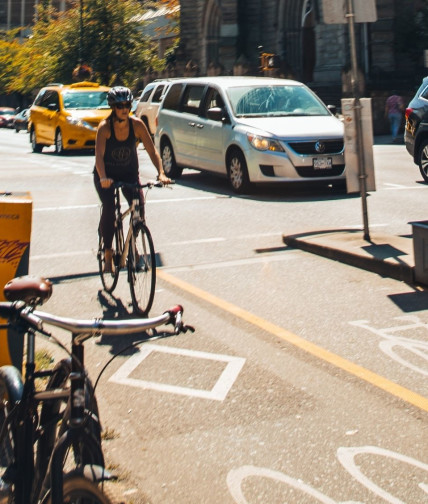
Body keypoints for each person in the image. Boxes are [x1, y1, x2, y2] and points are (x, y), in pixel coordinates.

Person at [94, 86, 170, 272]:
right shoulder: (104, 128)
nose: (124, 109)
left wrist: (161, 172)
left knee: (139, 207)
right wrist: (103, 177)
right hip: (106, 175)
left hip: (128, 173)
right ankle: (108, 253)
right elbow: (98, 158)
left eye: (127, 104)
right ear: (113, 107)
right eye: (120, 105)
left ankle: (132, 244)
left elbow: (152, 151)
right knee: (110, 209)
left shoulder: (137, 125)